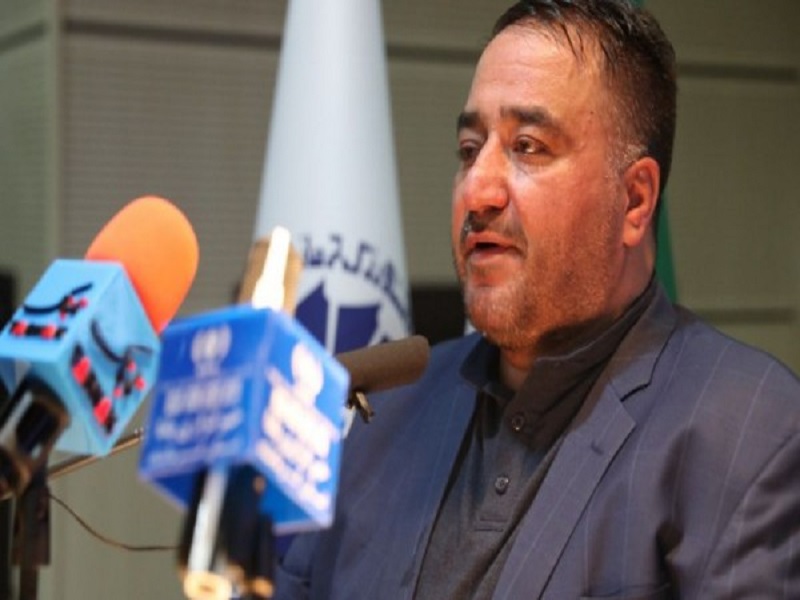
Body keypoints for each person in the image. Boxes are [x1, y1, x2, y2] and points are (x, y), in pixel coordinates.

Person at [274, 1, 800, 598]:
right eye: (470, 149)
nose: (477, 189)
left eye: (527, 147)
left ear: (634, 201)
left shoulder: (749, 435)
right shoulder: (386, 415)